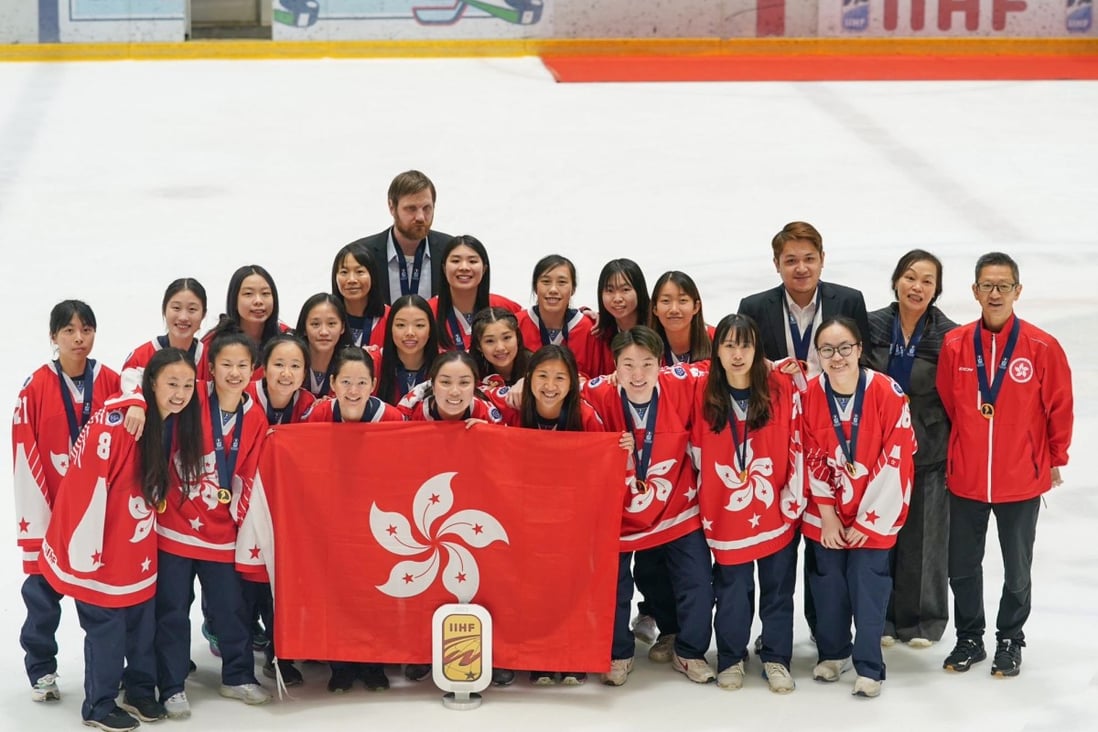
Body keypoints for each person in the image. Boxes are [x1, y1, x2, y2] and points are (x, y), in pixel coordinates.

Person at [39, 348, 205, 731]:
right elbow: (83, 485)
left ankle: (139, 689)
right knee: (107, 628)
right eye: (171, 384)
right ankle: (97, 706)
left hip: (137, 545)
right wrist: (85, 550)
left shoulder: (166, 423)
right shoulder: (119, 422)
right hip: (102, 546)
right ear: (150, 384)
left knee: (142, 624)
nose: (179, 393)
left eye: (186, 385)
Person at [936, 252, 1073, 678]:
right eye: (987, 286)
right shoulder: (956, 344)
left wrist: (1053, 457)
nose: (995, 294)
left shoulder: (1042, 346)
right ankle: (970, 636)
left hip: (1021, 479)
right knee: (962, 565)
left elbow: (1060, 408)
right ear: (974, 291)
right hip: (967, 479)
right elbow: (947, 402)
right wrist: (960, 450)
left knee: (1017, 568)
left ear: (1018, 290)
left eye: (1004, 286)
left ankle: (1010, 638)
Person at [737, 221, 871, 643]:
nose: (800, 268)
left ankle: (823, 629)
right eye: (790, 260)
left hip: (830, 437)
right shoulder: (754, 307)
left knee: (821, 541)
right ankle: (771, 632)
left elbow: (863, 370)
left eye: (808, 259)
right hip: (776, 442)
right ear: (776, 264)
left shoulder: (848, 300)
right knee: (775, 545)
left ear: (822, 260)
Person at [582, 326, 714, 687]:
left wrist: (782, 366)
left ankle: (689, 651)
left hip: (677, 506)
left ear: (662, 364)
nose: (637, 375)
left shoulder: (683, 380)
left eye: (646, 364)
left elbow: (732, 363)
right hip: (619, 512)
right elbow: (551, 386)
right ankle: (618, 653)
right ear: (614, 366)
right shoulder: (596, 392)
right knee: (613, 586)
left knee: (698, 580)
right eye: (627, 365)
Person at [154, 324, 272, 717]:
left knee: (230, 608)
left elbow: (250, 473)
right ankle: (170, 685)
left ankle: (236, 677)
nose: (234, 372)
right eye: (226, 364)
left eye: (242, 364)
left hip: (221, 531)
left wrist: (238, 518)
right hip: (175, 526)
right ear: (212, 367)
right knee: (172, 608)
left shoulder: (255, 417)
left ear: (253, 368)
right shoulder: (190, 399)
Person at [12, 300, 122, 704]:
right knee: (42, 596)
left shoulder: (110, 381)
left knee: (101, 599)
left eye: (87, 329)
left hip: (97, 513)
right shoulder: (36, 387)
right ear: (52, 336)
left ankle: (111, 672)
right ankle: (41, 667)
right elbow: (26, 452)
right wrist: (39, 517)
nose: (79, 338)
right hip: (52, 511)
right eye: (69, 331)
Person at [801, 316, 916, 699]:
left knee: (868, 585)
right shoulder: (810, 396)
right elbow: (809, 455)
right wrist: (830, 515)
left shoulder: (886, 391)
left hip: (877, 510)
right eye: (827, 350)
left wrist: (869, 519)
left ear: (860, 349)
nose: (837, 357)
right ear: (818, 355)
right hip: (828, 512)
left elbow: (897, 455)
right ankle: (834, 653)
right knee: (829, 583)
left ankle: (869, 666)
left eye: (844, 348)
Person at [691, 313, 803, 693]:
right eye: (729, 345)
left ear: (758, 351)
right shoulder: (700, 392)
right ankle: (730, 656)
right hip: (725, 514)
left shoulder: (780, 388)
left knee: (777, 588)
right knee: (733, 590)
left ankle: (775, 657)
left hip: (775, 509)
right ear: (716, 350)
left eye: (746, 345)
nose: (738, 354)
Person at [862, 250, 957, 647]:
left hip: (928, 450)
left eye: (927, 281)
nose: (917, 287)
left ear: (936, 290)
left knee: (925, 536)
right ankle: (881, 617)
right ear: (896, 281)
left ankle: (921, 620)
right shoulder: (870, 325)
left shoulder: (949, 335)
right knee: (880, 534)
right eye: (910, 277)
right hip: (877, 451)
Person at [502, 344, 604, 685]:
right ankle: (540, 658)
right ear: (528, 379)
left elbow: (602, 463)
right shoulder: (515, 413)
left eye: (560, 377)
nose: (550, 385)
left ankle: (573, 655)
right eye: (542, 375)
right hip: (526, 521)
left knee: (571, 589)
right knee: (534, 590)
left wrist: (622, 448)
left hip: (571, 522)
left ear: (573, 382)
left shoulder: (586, 416)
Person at [305, 347, 403, 692]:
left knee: (375, 593)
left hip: (377, 520)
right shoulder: (318, 415)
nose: (353, 389)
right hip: (332, 520)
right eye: (345, 381)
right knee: (337, 593)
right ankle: (341, 663)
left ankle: (374, 661)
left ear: (373, 384)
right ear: (332, 383)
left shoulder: (392, 419)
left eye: (361, 382)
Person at [347, 170, 451, 304]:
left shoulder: (450, 251)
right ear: (392, 207)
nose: (420, 217)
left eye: (427, 208)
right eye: (411, 208)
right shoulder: (361, 255)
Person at [430, 235, 521, 351]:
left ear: (484, 269)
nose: (464, 267)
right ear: (444, 268)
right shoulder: (427, 312)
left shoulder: (506, 307)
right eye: (455, 261)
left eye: (472, 261)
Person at [198, 265, 287, 381]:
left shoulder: (287, 339)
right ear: (234, 300)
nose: (258, 301)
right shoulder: (212, 343)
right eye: (248, 294)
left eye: (265, 293)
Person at [121, 278, 208, 394]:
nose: (183, 317)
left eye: (192, 309)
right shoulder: (140, 357)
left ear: (203, 315)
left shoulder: (211, 359)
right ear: (164, 310)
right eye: (176, 308)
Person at [517, 255, 598, 378]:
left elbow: (600, 378)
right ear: (535, 287)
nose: (553, 289)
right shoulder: (518, 324)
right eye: (546, 282)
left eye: (562, 282)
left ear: (573, 289)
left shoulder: (589, 328)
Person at [588, 258, 650, 378]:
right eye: (609, 290)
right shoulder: (600, 332)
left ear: (639, 291)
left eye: (625, 290)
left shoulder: (657, 326)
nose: (617, 298)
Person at [374, 294, 440, 405]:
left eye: (419, 325)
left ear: (430, 330)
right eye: (401, 325)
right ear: (390, 329)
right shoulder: (372, 363)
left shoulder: (446, 365)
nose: (410, 332)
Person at [245, 333, 316, 426]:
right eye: (279, 364)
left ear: (304, 373)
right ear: (265, 369)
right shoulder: (245, 394)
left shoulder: (308, 403)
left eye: (295, 366)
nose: (286, 374)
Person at [330, 241, 388, 348]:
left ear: (372, 276)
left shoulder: (391, 318)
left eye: (360, 271)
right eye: (344, 272)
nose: (352, 280)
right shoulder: (326, 318)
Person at [295, 293, 353, 398]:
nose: (324, 332)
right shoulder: (290, 363)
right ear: (304, 328)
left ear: (342, 327)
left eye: (331, 324)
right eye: (315, 324)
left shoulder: (352, 365)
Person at [650, 271, 713, 367]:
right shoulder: (642, 348)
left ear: (696, 307)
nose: (674, 309)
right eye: (666, 301)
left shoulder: (718, 339)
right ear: (655, 309)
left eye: (682, 300)